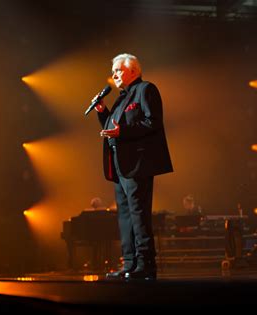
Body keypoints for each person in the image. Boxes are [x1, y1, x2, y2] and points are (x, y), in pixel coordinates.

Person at [93, 53, 173, 280]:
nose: (114, 74)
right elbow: (113, 126)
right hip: (119, 166)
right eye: (114, 71)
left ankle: (146, 265)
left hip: (138, 164)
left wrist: (123, 132)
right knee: (125, 216)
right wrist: (103, 114)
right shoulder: (120, 98)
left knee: (139, 214)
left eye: (118, 70)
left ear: (133, 71)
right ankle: (129, 263)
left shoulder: (146, 89)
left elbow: (153, 122)